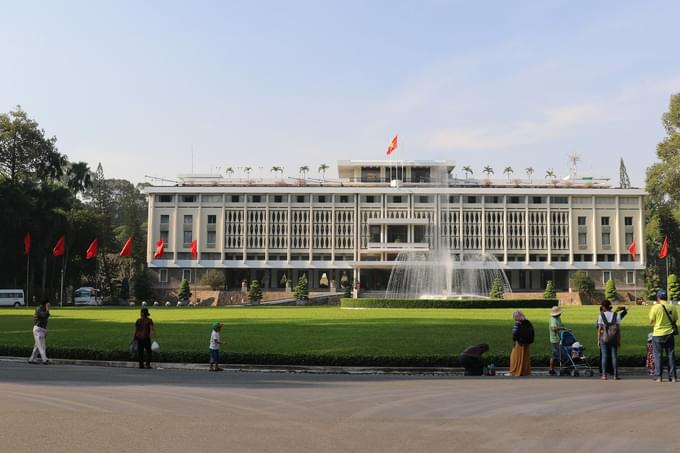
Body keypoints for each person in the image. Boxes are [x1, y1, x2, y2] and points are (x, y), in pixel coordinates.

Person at [648, 289, 678, 382]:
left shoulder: (655, 307)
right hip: (669, 333)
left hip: (658, 334)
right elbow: (675, 319)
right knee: (670, 355)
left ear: (658, 298)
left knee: (658, 356)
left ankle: (659, 376)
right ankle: (673, 376)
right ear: (666, 297)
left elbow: (651, 322)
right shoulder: (672, 306)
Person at [597, 300, 622, 380]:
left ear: (603, 307)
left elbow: (599, 329)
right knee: (614, 356)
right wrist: (619, 340)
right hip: (614, 338)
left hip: (604, 337)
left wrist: (598, 340)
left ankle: (604, 375)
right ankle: (615, 375)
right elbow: (618, 330)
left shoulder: (601, 315)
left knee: (604, 356)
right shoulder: (616, 315)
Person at [509, 310, 532, 376]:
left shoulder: (517, 323)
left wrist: (514, 340)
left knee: (515, 357)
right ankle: (525, 371)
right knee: (525, 357)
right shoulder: (527, 322)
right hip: (527, 343)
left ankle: (516, 371)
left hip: (519, 343)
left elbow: (515, 333)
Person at [28, 298, 50, 364]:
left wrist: (46, 329)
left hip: (42, 329)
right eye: (48, 303)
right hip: (38, 329)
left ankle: (31, 359)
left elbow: (46, 318)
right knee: (41, 346)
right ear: (45, 304)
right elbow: (44, 315)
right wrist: (47, 308)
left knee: (37, 346)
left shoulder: (43, 309)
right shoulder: (39, 309)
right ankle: (45, 359)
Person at [548, 306, 569, 376]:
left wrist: (565, 329)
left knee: (554, 355)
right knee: (562, 354)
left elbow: (561, 325)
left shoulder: (558, 318)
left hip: (559, 338)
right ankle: (563, 369)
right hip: (555, 339)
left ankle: (551, 369)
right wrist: (563, 328)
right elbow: (554, 328)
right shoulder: (553, 320)